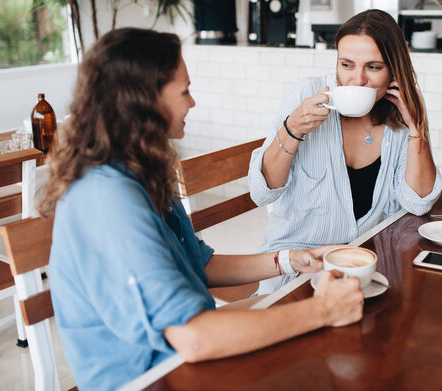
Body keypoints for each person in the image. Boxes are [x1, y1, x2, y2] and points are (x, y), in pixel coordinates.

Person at [39, 28, 364, 391]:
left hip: (184, 361)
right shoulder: (106, 199)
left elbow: (200, 264)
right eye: (184, 91)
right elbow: (194, 338)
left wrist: (290, 259)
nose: (192, 103)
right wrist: (323, 310)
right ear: (142, 101)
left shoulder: (141, 170)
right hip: (149, 378)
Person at [248, 9, 442, 295]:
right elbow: (262, 192)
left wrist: (416, 128)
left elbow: (418, 203)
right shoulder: (308, 93)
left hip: (370, 267)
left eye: (373, 67)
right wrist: (292, 130)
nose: (357, 80)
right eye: (347, 65)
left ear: (394, 70)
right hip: (298, 270)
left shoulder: (402, 107)